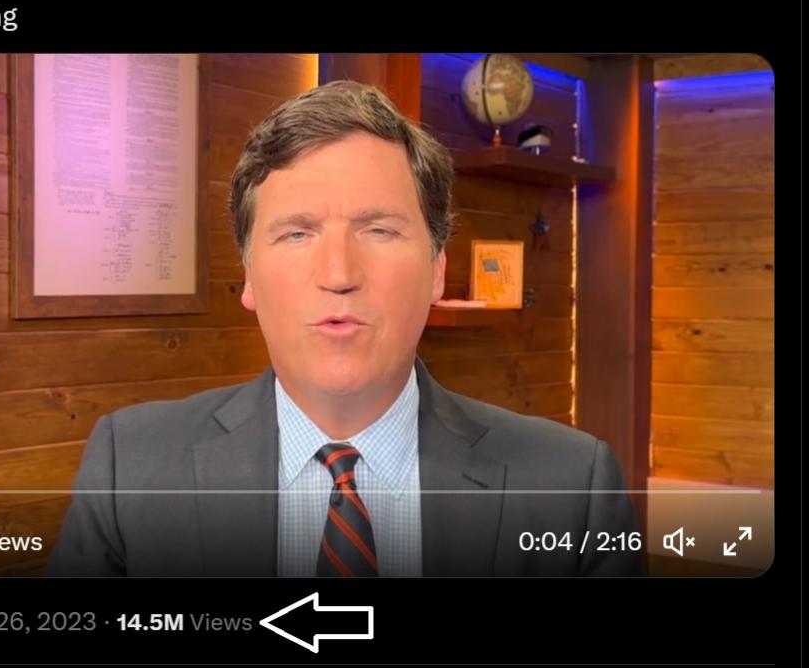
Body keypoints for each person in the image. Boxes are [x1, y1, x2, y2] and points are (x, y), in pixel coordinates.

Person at [47, 81, 641, 578]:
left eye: (379, 230)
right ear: (249, 277)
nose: (338, 274)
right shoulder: (132, 467)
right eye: (296, 233)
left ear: (436, 271)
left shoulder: (573, 488)